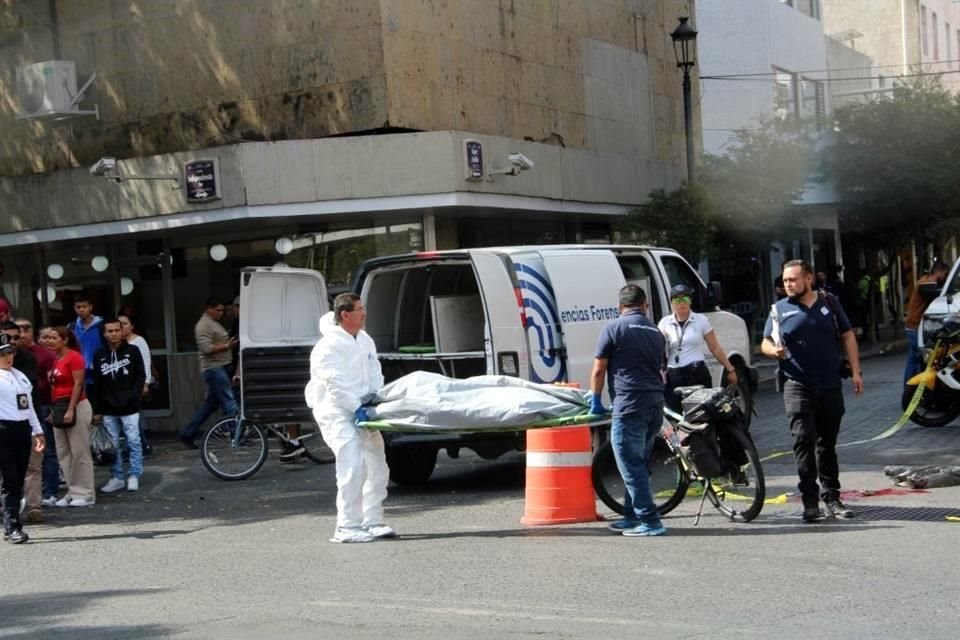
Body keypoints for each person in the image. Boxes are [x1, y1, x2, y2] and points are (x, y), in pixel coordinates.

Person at [762, 260, 863, 523]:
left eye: (793, 280)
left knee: (826, 445)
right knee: (803, 441)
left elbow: (848, 335)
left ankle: (832, 497)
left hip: (829, 384)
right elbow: (765, 342)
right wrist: (774, 352)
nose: (788, 284)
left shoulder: (829, 303)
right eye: (785, 281)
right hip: (796, 385)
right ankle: (809, 501)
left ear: (808, 279)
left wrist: (856, 371)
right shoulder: (778, 310)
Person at [306, 294, 393, 544]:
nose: (364, 313)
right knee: (352, 465)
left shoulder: (364, 340)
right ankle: (347, 526)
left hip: (363, 410)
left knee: (378, 465)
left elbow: (375, 370)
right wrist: (356, 407)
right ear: (345, 315)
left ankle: (372, 520)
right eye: (360, 309)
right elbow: (335, 383)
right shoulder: (327, 347)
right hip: (336, 412)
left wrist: (374, 398)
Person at [588, 284, 668, 537]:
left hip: (629, 405)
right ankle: (632, 516)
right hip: (654, 405)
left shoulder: (613, 328)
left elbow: (599, 369)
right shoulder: (656, 331)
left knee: (630, 465)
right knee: (639, 463)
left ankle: (650, 520)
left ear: (620, 307)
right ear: (644, 306)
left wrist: (595, 400)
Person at [658, 284, 738, 413]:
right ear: (671, 302)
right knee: (677, 415)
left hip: (696, 372)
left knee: (704, 412)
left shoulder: (701, 321)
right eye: (677, 300)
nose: (681, 304)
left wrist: (730, 369)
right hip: (674, 375)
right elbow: (657, 348)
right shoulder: (665, 323)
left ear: (690, 300)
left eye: (685, 299)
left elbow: (715, 347)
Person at [90, 319, 146, 494]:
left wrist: (133, 397)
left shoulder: (133, 351)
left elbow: (140, 376)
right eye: (109, 331)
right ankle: (117, 477)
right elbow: (97, 383)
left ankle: (134, 475)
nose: (113, 334)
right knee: (112, 444)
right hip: (108, 408)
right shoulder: (99, 354)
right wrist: (97, 409)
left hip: (130, 406)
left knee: (134, 440)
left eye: (116, 330)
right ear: (104, 334)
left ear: (122, 332)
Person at [0, 334, 46, 544]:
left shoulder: (20, 376)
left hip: (21, 429)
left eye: (10, 353)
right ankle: (13, 526)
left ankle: (10, 520)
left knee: (18, 479)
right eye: (3, 354)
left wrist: (37, 431)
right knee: (9, 481)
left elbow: (27, 408)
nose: (8, 357)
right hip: (3, 429)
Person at [47, 326, 95, 507]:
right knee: (64, 452)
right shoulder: (56, 359)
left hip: (76, 406)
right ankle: (72, 490)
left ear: (65, 339)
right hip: (58, 408)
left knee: (79, 451)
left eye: (53, 338)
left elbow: (78, 384)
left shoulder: (74, 357)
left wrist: (71, 409)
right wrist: (54, 412)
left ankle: (86, 493)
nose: (49, 341)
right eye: (48, 338)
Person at [180, 297, 238, 449]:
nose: (221, 313)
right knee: (229, 402)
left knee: (210, 405)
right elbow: (206, 349)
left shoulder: (212, 323)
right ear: (209, 308)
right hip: (214, 368)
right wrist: (228, 345)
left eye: (222, 310)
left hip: (219, 367)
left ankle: (188, 433)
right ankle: (235, 435)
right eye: (218, 310)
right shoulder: (203, 325)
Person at [18, 319, 58, 513]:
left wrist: (52, 407)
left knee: (43, 455)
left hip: (40, 407)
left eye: (26, 330)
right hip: (10, 419)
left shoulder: (39, 356)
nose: (22, 335)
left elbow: (52, 383)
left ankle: (44, 496)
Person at [904, 261, 949, 384]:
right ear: (938, 272)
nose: (944, 278)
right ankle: (919, 389)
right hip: (915, 327)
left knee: (912, 362)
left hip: (912, 326)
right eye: (945, 275)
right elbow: (939, 294)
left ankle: (908, 390)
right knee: (923, 361)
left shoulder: (924, 281)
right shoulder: (925, 284)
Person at [117, 312, 153, 455]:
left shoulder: (138, 341)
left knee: (131, 416)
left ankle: (136, 446)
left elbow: (146, 363)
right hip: (122, 387)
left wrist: (145, 383)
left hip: (135, 385)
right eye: (119, 325)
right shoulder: (118, 344)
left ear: (131, 326)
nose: (122, 327)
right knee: (130, 417)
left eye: (125, 324)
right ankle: (142, 445)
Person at [67, 293, 104, 390]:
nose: (82, 309)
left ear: (90, 307)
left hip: (100, 371)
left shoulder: (102, 325)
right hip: (78, 373)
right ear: (74, 308)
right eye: (78, 307)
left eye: (84, 306)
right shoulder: (71, 327)